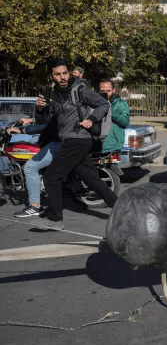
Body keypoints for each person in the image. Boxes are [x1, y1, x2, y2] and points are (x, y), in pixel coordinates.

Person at [32, 58, 117, 230]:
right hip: (71, 140)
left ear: (69, 73)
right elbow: (45, 120)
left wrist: (91, 119)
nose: (63, 77)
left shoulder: (80, 89)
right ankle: (123, 206)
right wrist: (39, 109)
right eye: (58, 74)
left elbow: (103, 104)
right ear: (52, 76)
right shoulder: (53, 95)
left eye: (65, 73)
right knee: (92, 179)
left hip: (78, 139)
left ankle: (56, 220)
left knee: (51, 176)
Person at [98, 79, 129, 153]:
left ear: (113, 90)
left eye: (108, 91)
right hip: (96, 142)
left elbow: (125, 121)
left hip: (112, 143)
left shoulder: (120, 103)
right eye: (102, 91)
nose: (105, 93)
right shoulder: (95, 103)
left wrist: (111, 111)